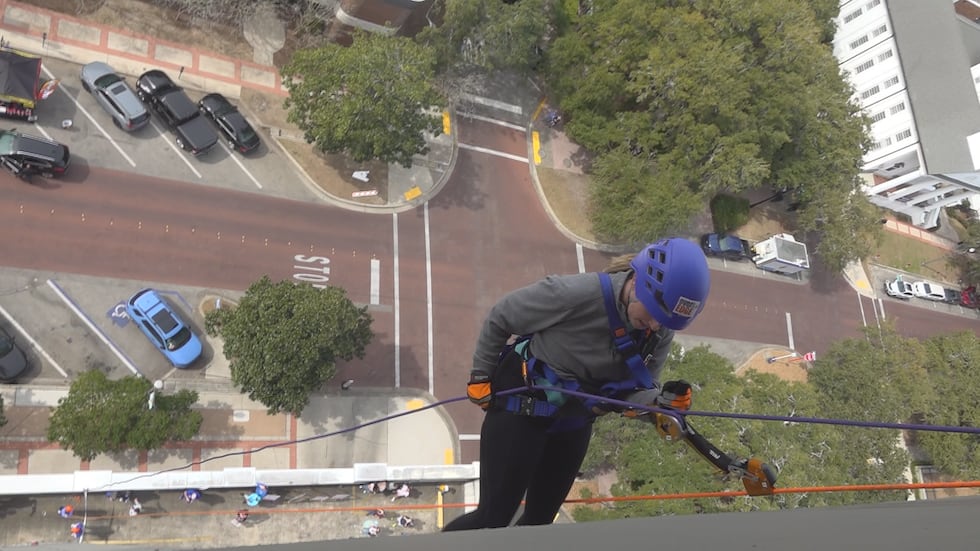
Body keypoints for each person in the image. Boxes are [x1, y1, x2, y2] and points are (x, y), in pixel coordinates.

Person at [443, 238, 710, 531]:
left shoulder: (659, 328)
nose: (657, 327)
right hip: (523, 409)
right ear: (636, 284)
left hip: (574, 422)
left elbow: (639, 388)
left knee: (540, 522)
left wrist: (659, 406)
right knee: (492, 518)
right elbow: (501, 316)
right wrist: (481, 377)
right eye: (655, 316)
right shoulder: (576, 294)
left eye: (666, 322)